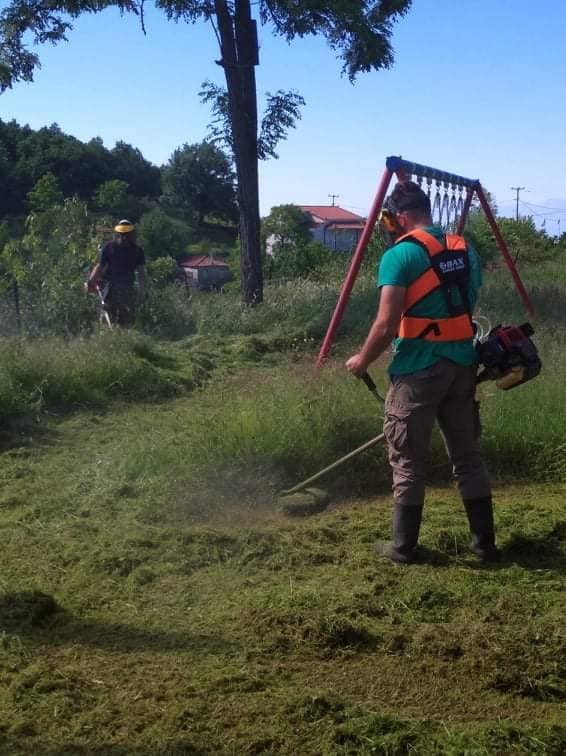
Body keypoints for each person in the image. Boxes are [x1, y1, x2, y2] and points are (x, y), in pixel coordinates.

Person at [346, 181, 499, 564]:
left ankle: (402, 548)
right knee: (468, 458)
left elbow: (386, 324)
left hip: (418, 369)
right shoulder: (465, 250)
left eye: (389, 220)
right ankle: (484, 545)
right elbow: (464, 301)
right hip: (463, 366)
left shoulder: (400, 255)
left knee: (408, 461)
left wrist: (362, 361)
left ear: (399, 217)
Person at [87, 220, 146, 326]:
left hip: (127, 288)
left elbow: (141, 272)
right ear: (117, 234)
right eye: (122, 234)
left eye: (127, 235)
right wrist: (91, 281)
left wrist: (142, 291)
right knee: (106, 315)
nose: (124, 237)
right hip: (109, 287)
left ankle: (124, 334)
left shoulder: (137, 251)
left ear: (132, 235)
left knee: (126, 319)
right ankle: (106, 333)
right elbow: (100, 266)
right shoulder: (109, 248)